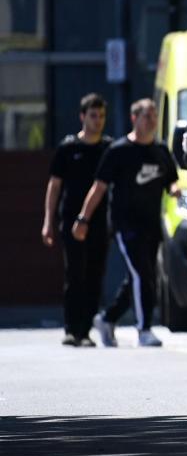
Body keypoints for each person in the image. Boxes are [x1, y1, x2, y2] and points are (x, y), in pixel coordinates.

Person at [74, 98, 179, 348]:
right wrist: (83, 218)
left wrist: (175, 190)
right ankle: (144, 329)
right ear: (134, 119)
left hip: (152, 224)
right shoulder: (119, 151)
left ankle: (107, 318)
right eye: (146, 116)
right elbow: (99, 188)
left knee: (140, 277)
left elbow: (171, 181)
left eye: (154, 116)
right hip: (126, 225)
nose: (152, 120)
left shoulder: (161, 150)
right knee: (142, 274)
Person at [40, 94, 112, 347]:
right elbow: (54, 186)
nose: (98, 121)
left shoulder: (107, 148)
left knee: (94, 275)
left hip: (100, 222)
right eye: (93, 115)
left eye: (102, 116)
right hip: (71, 220)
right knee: (75, 274)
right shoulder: (68, 148)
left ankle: (86, 330)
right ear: (82, 117)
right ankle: (72, 329)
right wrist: (48, 221)